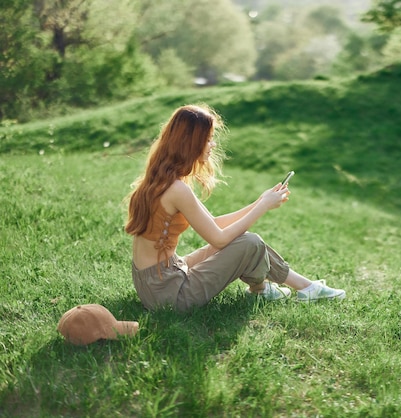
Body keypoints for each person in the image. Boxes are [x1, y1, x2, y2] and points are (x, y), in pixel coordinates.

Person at [124, 104, 345, 312]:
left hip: (156, 283)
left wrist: (259, 201)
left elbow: (214, 224)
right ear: (191, 142)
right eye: (208, 139)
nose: (213, 145)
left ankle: (298, 288)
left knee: (243, 239)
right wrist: (263, 208)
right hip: (170, 295)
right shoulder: (176, 188)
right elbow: (219, 239)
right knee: (249, 242)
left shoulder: (161, 179)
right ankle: (282, 289)